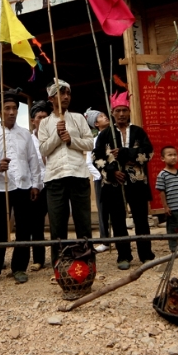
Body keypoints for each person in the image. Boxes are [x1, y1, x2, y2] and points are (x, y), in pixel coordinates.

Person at [0, 89, 41, 285]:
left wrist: (36, 184)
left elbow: (33, 161)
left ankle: (19, 267)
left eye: (14, 108)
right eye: (7, 108)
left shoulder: (25, 134)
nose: (12, 112)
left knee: (24, 228)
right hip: (0, 189)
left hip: (23, 186)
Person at [93, 91, 155, 270]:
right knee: (118, 220)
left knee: (141, 219)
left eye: (124, 110)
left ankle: (146, 254)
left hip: (136, 182)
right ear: (112, 113)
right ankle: (124, 255)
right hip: (114, 183)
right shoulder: (105, 135)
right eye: (117, 110)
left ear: (129, 112)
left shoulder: (138, 132)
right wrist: (112, 172)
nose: (121, 114)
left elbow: (148, 152)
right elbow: (96, 157)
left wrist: (126, 153)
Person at [38, 79, 94, 266]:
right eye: (62, 93)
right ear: (51, 98)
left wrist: (71, 139)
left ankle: (87, 262)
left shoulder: (78, 118)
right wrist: (56, 134)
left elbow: (89, 143)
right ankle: (59, 264)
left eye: (68, 93)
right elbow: (44, 150)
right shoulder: (45, 123)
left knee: (83, 222)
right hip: (55, 177)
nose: (66, 97)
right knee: (57, 224)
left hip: (78, 174)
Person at [85, 108, 111, 253]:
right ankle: (105, 239)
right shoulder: (93, 141)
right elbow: (89, 162)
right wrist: (101, 175)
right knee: (102, 210)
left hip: (114, 176)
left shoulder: (114, 136)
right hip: (100, 178)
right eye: (101, 116)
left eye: (105, 115)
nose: (105, 117)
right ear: (96, 123)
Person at [30, 100, 52, 270]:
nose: (43, 120)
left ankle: (59, 256)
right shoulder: (28, 140)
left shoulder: (54, 137)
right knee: (36, 223)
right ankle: (38, 259)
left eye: (46, 117)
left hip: (53, 184)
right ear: (33, 120)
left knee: (57, 222)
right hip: (36, 187)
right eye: (39, 117)